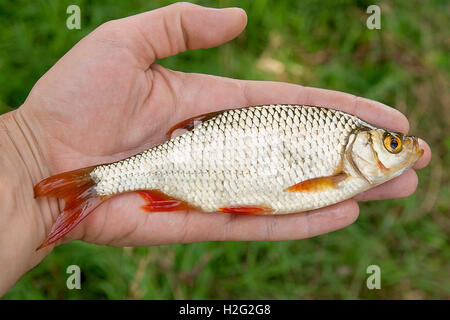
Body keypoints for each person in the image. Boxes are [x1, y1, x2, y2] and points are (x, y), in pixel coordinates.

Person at [0, 2, 431, 296]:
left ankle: (87, 185)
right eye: (392, 144)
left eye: (393, 144)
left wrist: (26, 153)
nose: (400, 148)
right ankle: (97, 184)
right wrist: (25, 152)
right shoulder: (342, 171)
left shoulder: (342, 161)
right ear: (362, 146)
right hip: (199, 168)